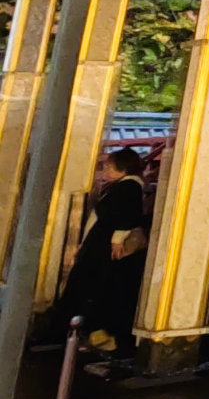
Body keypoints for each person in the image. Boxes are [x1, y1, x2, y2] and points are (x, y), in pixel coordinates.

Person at [51, 147, 147, 354]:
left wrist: (117, 239)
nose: (106, 171)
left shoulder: (129, 187)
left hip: (104, 249)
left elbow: (128, 216)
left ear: (123, 169)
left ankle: (95, 334)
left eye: (110, 167)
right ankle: (87, 333)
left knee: (95, 290)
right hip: (99, 246)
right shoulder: (123, 186)